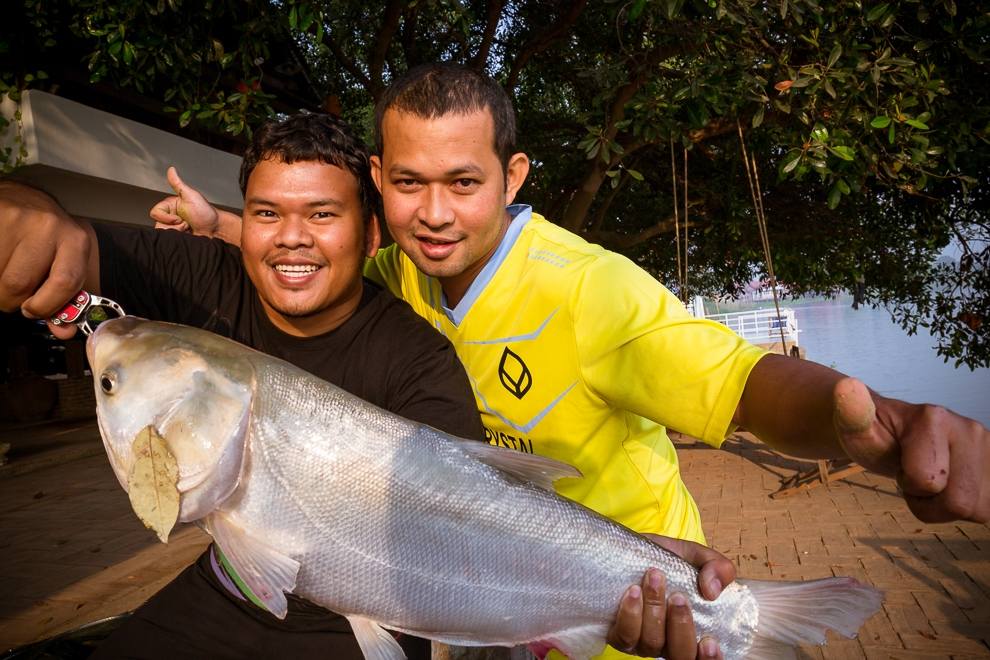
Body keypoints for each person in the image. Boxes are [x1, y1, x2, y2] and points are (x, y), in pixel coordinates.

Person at [155, 62, 988, 658]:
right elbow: (322, 262)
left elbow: (743, 385)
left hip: (635, 606)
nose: (434, 213)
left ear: (512, 176)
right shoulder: (399, 268)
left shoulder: (595, 292)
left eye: (463, 182)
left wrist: (880, 422)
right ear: (378, 180)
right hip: (485, 598)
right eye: (408, 184)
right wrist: (230, 230)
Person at [0, 113, 735, 660]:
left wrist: (634, 564)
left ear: (370, 233)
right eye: (266, 215)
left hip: (365, 627)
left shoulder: (418, 359)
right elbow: (63, 238)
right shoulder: (204, 275)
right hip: (229, 589)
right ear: (244, 224)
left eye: (323, 214)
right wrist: (29, 216)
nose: (291, 238)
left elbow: (483, 517)